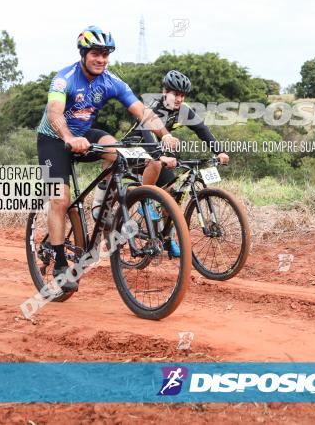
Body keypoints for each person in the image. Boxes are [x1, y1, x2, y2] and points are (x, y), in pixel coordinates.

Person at [36, 26, 179, 291]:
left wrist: (165, 134)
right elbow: (55, 112)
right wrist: (67, 137)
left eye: (106, 54)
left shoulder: (111, 81)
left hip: (85, 135)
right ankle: (58, 262)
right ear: (83, 53)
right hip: (54, 140)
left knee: (117, 151)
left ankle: (103, 204)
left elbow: (142, 110)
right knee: (60, 198)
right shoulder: (63, 79)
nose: (101, 59)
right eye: (96, 53)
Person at [127, 69, 229, 191]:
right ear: (164, 91)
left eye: (182, 95)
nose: (179, 99)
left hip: (154, 154)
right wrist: (159, 156)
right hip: (132, 150)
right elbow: (148, 134)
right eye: (175, 94)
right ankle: (144, 199)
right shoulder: (153, 108)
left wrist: (219, 152)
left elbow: (202, 130)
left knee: (171, 193)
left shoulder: (183, 110)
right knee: (156, 163)